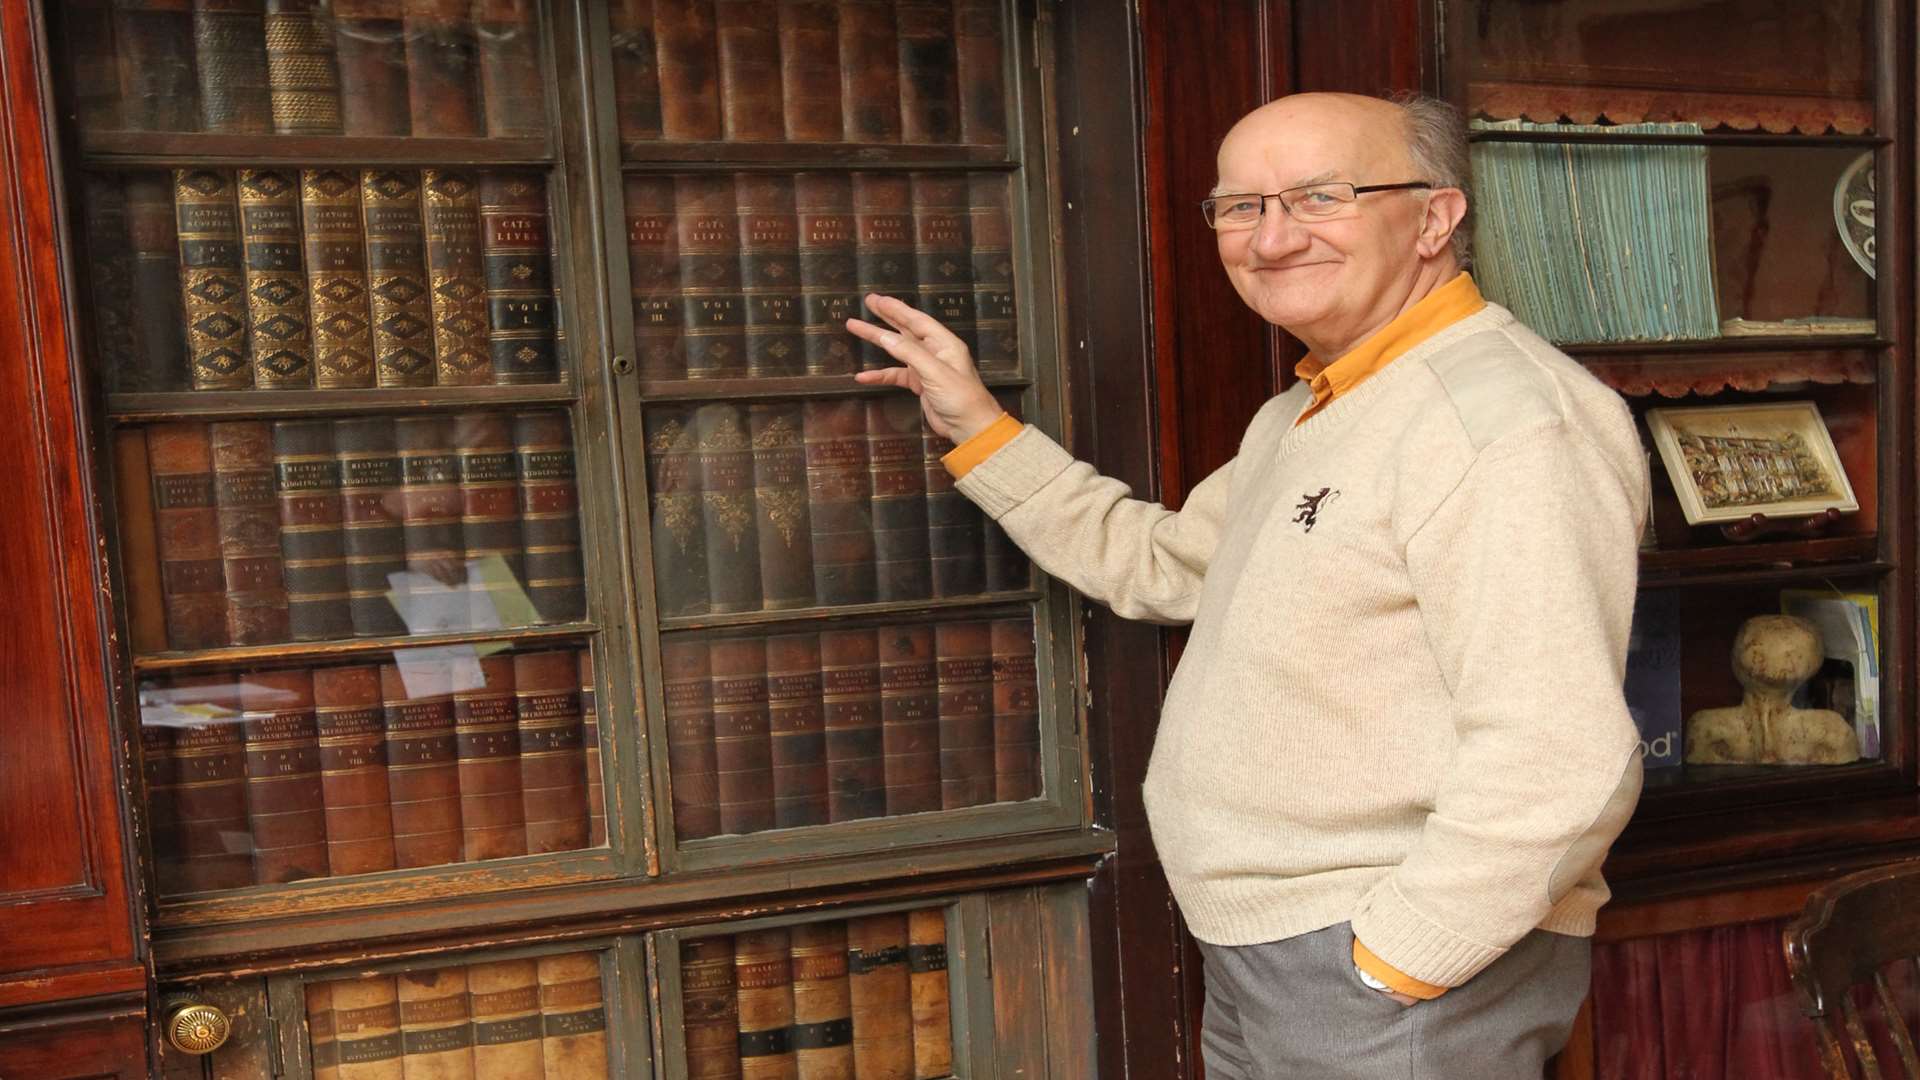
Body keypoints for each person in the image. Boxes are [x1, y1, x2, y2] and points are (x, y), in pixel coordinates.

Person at [846, 91, 1647, 1078]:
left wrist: (1399, 960)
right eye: (1240, 207)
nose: (1272, 239)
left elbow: (1562, 753)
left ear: (1435, 218)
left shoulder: (1503, 422)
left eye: (1320, 196)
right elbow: (1162, 564)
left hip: (1382, 972)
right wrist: (978, 426)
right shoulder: (1308, 413)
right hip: (1277, 953)